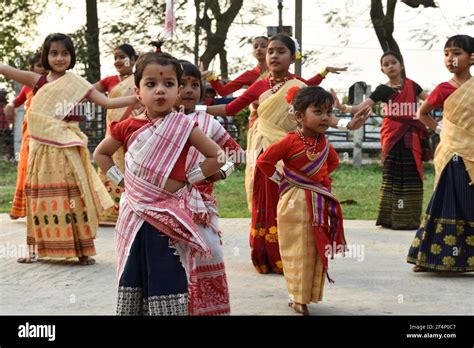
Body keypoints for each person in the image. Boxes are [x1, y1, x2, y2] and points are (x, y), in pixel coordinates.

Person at [202, 33, 369, 274]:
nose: (273, 55)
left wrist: (347, 125)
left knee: (289, 206)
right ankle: (264, 257)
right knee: (265, 204)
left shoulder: (299, 86)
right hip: (264, 157)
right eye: (270, 51)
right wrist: (193, 109)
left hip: (291, 156)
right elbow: (230, 108)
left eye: (280, 51)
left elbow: (319, 113)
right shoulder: (259, 84)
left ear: (292, 57)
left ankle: (289, 257)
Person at [94, 51, 226, 315]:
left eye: (168, 84)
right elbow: (101, 153)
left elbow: (218, 157)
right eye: (151, 84)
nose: (160, 91)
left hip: (171, 213)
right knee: (135, 266)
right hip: (135, 212)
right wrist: (120, 181)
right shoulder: (126, 126)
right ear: (138, 91)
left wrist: (191, 178)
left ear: (178, 90)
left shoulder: (185, 126)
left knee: (167, 268)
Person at [0, 33, 137, 265]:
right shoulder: (38, 80)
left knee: (74, 196)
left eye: (65, 53)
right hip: (41, 149)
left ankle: (82, 251)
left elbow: (107, 103)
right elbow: (5, 68)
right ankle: (34, 250)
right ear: (46, 56)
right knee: (39, 198)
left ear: (71, 56)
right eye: (54, 53)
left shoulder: (77, 84)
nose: (59, 58)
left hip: (68, 148)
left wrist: (138, 96)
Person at [257, 86, 346, 315]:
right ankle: (297, 297)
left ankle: (307, 296)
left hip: (317, 204)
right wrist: (283, 180)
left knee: (315, 249)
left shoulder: (324, 144)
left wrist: (321, 183)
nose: (325, 117)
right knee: (296, 250)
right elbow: (264, 162)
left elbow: (333, 164)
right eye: (318, 111)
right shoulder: (289, 141)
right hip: (293, 203)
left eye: (328, 112)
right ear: (299, 116)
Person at [176, 60, 245, 315]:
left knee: (210, 253)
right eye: (182, 84)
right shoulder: (157, 121)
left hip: (201, 204)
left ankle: (208, 309)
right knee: (175, 262)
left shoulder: (208, 123)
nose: (189, 90)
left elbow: (236, 155)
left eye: (195, 84)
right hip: (165, 204)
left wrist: (220, 174)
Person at [331, 51, 429, 230]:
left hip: (411, 136)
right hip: (392, 136)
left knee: (412, 172)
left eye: (394, 62)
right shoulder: (382, 90)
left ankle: (410, 219)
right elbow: (361, 107)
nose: (390, 66)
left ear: (401, 65)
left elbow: (431, 101)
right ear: (382, 70)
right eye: (386, 64)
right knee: (392, 174)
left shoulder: (412, 85)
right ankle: (391, 218)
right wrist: (341, 106)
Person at [407, 35, 474, 272]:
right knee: (444, 201)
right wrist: (441, 129)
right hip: (449, 154)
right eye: (446, 54)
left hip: (472, 154)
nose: (450, 59)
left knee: (469, 202)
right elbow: (422, 113)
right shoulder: (443, 88)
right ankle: (429, 257)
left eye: (456, 53)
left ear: (472, 57)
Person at [93, 44, 141, 225]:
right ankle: (107, 213)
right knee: (107, 168)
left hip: (133, 132)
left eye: (122, 57)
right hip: (113, 132)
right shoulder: (109, 81)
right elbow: (88, 91)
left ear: (133, 59)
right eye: (115, 58)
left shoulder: (140, 79)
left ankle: (128, 210)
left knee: (130, 169)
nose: (118, 61)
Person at [5, 52, 46, 219]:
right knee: (26, 168)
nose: (42, 69)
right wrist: (9, 106)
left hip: (48, 133)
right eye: (38, 65)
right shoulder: (27, 87)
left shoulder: (54, 84)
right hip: (29, 134)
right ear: (32, 68)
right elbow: (15, 102)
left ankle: (41, 207)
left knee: (43, 169)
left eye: (44, 65)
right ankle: (21, 208)